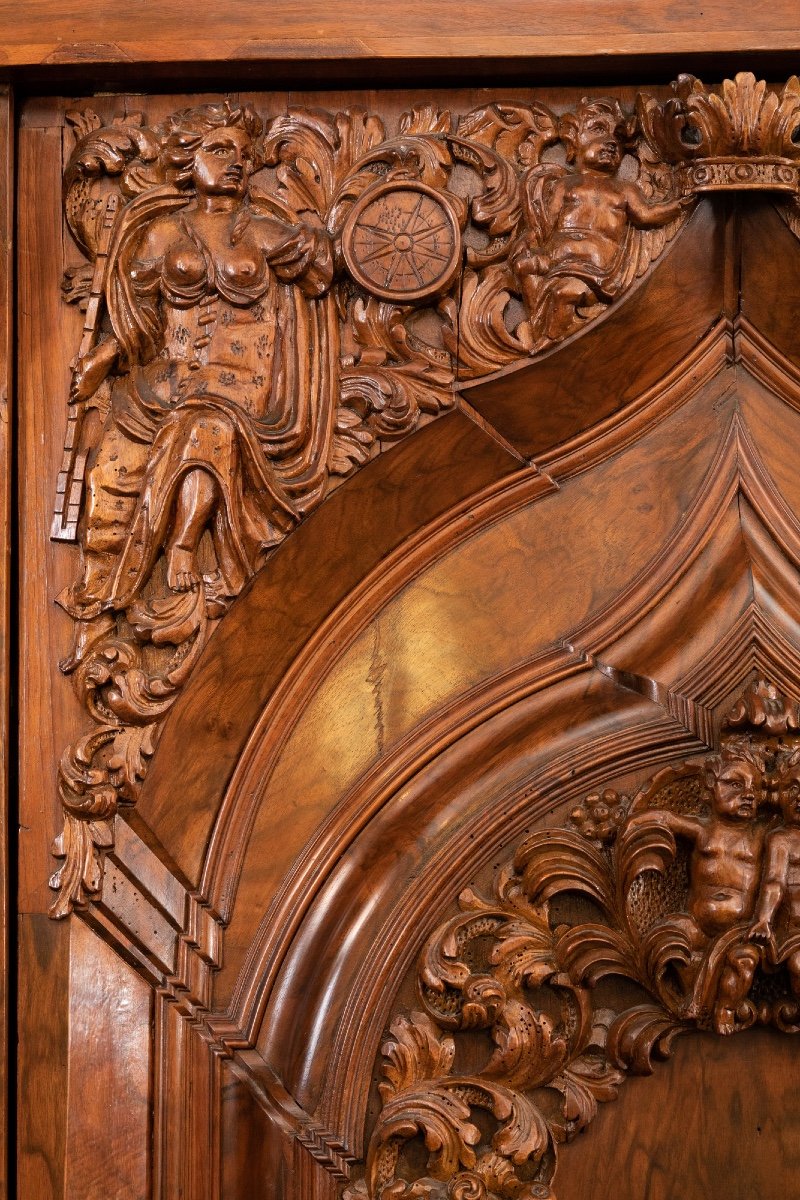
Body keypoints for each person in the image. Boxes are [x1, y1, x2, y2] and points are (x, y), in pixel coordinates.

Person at [59, 101, 335, 668]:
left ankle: (183, 541)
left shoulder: (260, 228)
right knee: (109, 474)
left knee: (205, 428)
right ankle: (95, 611)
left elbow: (320, 272)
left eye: (239, 153)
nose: (233, 162)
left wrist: (317, 234)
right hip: (166, 381)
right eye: (217, 150)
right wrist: (102, 357)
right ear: (188, 160)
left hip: (241, 382)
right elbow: (137, 320)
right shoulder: (163, 233)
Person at [511, 96, 689, 350]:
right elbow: (545, 224)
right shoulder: (565, 184)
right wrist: (532, 240)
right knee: (522, 266)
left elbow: (647, 215)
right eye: (598, 131)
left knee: (565, 293)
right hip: (557, 259)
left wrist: (677, 205)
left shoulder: (624, 190)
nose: (610, 143)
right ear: (574, 140)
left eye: (617, 140)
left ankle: (552, 338)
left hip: (595, 267)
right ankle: (540, 324)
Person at [627, 743, 766, 1034]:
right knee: (669, 937)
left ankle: (722, 1008)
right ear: (709, 786)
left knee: (743, 962)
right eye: (734, 784)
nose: (749, 794)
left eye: (756, 788)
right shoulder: (703, 831)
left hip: (741, 930)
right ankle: (697, 995)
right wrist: (634, 824)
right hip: (697, 925)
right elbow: (665, 819)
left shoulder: (761, 837)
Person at [750, 750, 800, 1012]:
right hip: (792, 931)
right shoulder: (781, 839)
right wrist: (764, 919)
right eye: (793, 788)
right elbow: (774, 882)